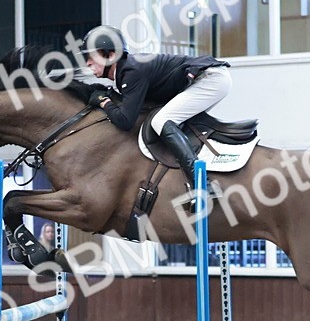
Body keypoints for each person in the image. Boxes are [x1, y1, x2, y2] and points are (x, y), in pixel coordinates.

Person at [82, 25, 231, 201]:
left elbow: (125, 121)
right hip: (209, 78)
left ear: (111, 55)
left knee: (161, 120)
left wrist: (104, 102)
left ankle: (203, 185)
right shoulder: (127, 71)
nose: (87, 63)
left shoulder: (131, 72)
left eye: (91, 56)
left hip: (210, 79)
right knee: (167, 120)